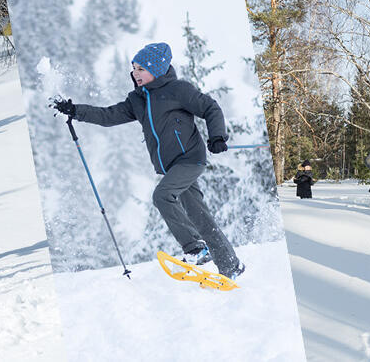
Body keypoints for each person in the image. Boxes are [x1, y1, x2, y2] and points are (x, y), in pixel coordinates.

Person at [52, 42, 244, 280]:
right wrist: (75, 110)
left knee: (162, 196)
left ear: (157, 68)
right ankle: (231, 266)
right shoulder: (137, 100)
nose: (135, 73)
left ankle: (195, 248)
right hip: (172, 167)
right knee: (200, 217)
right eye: (133, 68)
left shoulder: (178, 90)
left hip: (189, 160)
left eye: (141, 68)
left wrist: (217, 136)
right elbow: (108, 115)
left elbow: (210, 108)